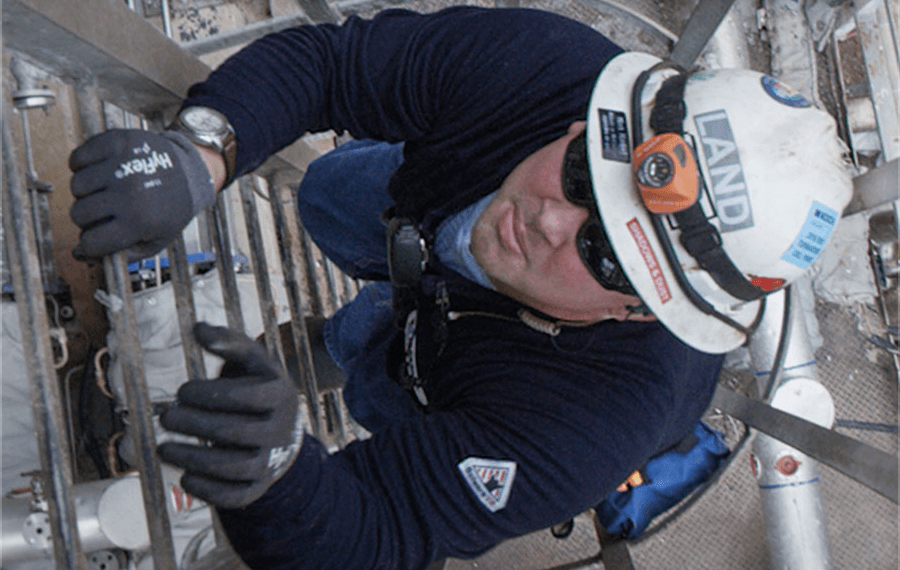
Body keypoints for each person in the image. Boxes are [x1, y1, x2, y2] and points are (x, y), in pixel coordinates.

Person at [67, 6, 852, 569]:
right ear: (586, 127)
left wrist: (275, 476)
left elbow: (380, 527)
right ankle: (332, 342)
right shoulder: (547, 70)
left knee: (384, 380)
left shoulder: (589, 427)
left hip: (473, 364)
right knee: (331, 193)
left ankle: (322, 357)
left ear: (635, 310)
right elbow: (337, 66)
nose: (550, 221)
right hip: (424, 220)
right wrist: (205, 149)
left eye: (607, 257)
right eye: (584, 177)